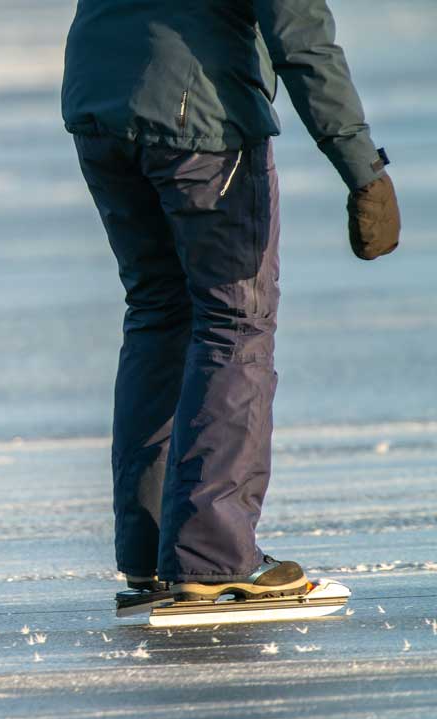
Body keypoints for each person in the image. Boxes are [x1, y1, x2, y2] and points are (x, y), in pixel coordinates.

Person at [61, 1, 400, 604]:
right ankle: (212, 554)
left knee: (159, 314)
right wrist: (362, 168)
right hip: (197, 120)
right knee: (234, 323)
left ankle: (154, 550)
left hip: (99, 101)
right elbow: (300, 36)